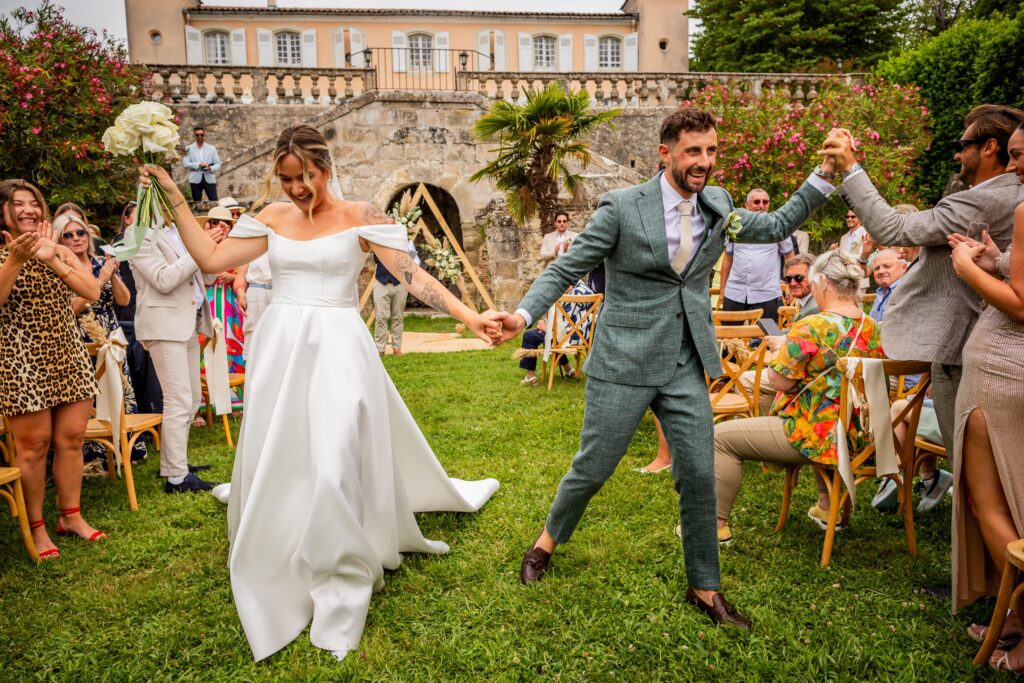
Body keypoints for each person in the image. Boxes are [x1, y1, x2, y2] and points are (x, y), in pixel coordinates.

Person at [136, 124, 499, 662]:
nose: (296, 189)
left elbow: (414, 276)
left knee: (334, 456)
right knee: (287, 450)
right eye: (285, 179)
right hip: (282, 345)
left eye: (304, 177)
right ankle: (283, 542)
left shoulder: (362, 217)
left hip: (339, 343)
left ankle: (340, 571)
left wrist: (471, 316)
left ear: (326, 168)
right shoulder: (271, 218)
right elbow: (212, 262)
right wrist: (172, 195)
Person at [487, 107, 836, 630]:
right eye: (693, 151)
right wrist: (521, 315)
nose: (703, 162)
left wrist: (826, 172)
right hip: (623, 361)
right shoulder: (622, 207)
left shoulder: (718, 204)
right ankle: (545, 544)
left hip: (683, 360)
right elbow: (567, 266)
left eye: (711, 151)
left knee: (698, 471)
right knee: (593, 467)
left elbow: (780, 223)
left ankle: (705, 587)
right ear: (665, 152)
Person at [821, 104, 1024, 456]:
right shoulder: (1006, 195)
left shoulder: (985, 200)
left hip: (968, 348)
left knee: (971, 465)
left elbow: (893, 228)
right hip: (996, 348)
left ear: (989, 147)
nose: (957, 153)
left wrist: (852, 168)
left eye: (963, 144)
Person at [712, 251, 884, 543]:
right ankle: (828, 508)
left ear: (824, 283)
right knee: (827, 411)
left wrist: (782, 349)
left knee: (720, 438)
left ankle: (713, 528)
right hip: (856, 432)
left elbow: (780, 381)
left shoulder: (812, 325)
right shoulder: (871, 327)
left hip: (814, 434)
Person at [946, 122, 1024, 673]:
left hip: (999, 368)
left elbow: (1020, 304)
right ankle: (1011, 619)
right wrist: (999, 256)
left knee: (988, 501)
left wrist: (967, 268)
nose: (1015, 166)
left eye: (1021, 156)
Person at [0, 179, 105, 560]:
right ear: (3, 211)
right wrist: (16, 259)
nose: (28, 210)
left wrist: (51, 257)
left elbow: (91, 291)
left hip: (67, 352)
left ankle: (71, 516)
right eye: (18, 204)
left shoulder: (57, 248)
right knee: (33, 447)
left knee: (72, 439)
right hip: (21, 359)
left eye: (34, 203)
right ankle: (37, 527)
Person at [127, 198, 222, 494]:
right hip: (163, 325)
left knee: (192, 397)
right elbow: (163, 279)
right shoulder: (137, 234)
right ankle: (177, 478)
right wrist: (198, 249)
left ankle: (173, 464)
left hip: (189, 322)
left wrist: (211, 252)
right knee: (178, 399)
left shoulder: (180, 232)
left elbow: (204, 274)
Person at [53, 213, 148, 466]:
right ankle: (94, 456)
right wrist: (100, 281)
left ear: (89, 235)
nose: (76, 239)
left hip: (111, 335)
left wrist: (112, 274)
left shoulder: (98, 262)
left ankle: (127, 451)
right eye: (68, 235)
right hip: (81, 336)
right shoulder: (61, 269)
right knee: (91, 398)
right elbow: (68, 309)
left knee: (120, 391)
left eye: (80, 233)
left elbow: (125, 300)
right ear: (59, 239)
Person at [114, 201, 162, 414]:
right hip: (128, 313)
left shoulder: (153, 242)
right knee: (136, 368)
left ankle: (152, 410)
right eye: (138, 217)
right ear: (126, 219)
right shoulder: (121, 244)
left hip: (142, 308)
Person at [720, 188, 794, 322]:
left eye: (765, 202)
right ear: (746, 205)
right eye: (757, 202)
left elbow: (789, 257)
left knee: (765, 339)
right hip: (735, 291)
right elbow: (728, 259)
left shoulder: (776, 225)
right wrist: (722, 290)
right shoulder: (735, 224)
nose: (761, 206)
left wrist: (789, 285)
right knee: (729, 338)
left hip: (766, 292)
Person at [198, 207, 245, 401]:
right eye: (215, 222)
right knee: (204, 344)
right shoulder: (201, 245)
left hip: (228, 302)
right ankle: (204, 397)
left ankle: (234, 395)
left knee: (231, 342)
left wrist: (232, 276)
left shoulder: (237, 246)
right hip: (206, 299)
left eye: (223, 223)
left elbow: (246, 272)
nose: (220, 226)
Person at [372, 231, 419, 356]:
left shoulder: (407, 243)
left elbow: (415, 260)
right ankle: (380, 349)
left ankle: (397, 348)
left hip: (400, 283)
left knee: (398, 317)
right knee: (381, 316)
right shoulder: (378, 241)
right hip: (381, 282)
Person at [183, 126, 221, 203]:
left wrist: (210, 168)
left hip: (209, 178)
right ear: (194, 135)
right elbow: (185, 163)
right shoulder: (188, 149)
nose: (200, 136)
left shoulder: (212, 149)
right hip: (195, 179)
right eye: (197, 135)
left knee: (214, 202)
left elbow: (218, 164)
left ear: (204, 134)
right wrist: (199, 164)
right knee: (196, 203)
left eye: (201, 135)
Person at [867, 249, 907, 321]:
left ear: (904, 268)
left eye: (887, 266)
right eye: (877, 268)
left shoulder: (905, 292)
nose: (881, 271)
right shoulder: (881, 293)